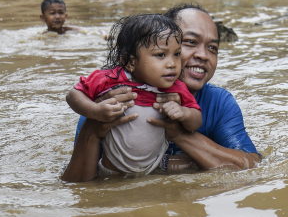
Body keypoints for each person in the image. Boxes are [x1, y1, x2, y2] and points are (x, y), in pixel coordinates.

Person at [61, 3, 259, 182]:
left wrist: (179, 134)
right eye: (189, 42)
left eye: (213, 48)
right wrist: (93, 127)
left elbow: (252, 166)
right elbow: (77, 188)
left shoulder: (218, 103)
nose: (203, 55)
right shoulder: (110, 100)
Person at [66, 14, 202, 176]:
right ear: (130, 62)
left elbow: (196, 122)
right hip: (111, 172)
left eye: (177, 54)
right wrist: (95, 111)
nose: (172, 63)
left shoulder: (176, 87)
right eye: (160, 55)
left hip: (155, 169)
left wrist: (185, 113)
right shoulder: (111, 79)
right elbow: (73, 95)